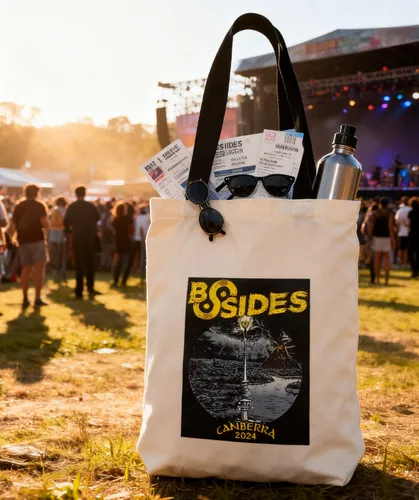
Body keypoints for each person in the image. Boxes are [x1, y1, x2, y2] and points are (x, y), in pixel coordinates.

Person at [11, 184, 49, 307]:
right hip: (37, 239)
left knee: (25, 269)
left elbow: (13, 223)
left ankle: (25, 298)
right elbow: (45, 223)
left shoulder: (19, 205)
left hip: (23, 240)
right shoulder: (39, 205)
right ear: (37, 193)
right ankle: (37, 297)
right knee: (38, 269)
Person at [64, 186, 101, 299]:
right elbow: (97, 219)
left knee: (79, 264)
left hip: (78, 238)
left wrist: (70, 233)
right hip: (90, 238)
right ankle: (90, 287)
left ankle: (79, 289)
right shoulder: (91, 206)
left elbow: (66, 223)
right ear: (85, 193)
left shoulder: (72, 207)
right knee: (90, 264)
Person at [368, 197, 396, 286]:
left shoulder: (375, 213)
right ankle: (386, 280)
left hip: (376, 238)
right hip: (386, 238)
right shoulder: (390, 214)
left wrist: (370, 237)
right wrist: (393, 239)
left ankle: (377, 279)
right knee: (387, 259)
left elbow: (371, 226)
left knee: (377, 259)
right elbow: (390, 228)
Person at [111, 201, 133, 287]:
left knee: (118, 263)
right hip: (126, 241)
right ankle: (124, 281)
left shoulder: (115, 220)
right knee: (127, 263)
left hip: (117, 242)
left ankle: (115, 280)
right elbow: (131, 230)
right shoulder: (128, 219)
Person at [49, 196, 68, 282]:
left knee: (55, 254)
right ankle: (62, 272)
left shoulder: (54, 210)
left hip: (54, 235)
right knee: (63, 255)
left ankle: (54, 270)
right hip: (63, 235)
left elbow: (52, 223)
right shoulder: (66, 210)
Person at [395, 196, 412, 269]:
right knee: (406, 249)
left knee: (401, 248)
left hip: (401, 232)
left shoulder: (400, 211)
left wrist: (397, 231)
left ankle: (401, 263)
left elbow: (397, 222)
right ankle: (405, 263)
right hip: (409, 232)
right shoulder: (411, 209)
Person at [408, 197, 419, 279]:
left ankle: (414, 270)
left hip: (412, 235)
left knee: (410, 254)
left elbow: (409, 224)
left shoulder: (411, 212)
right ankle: (417, 270)